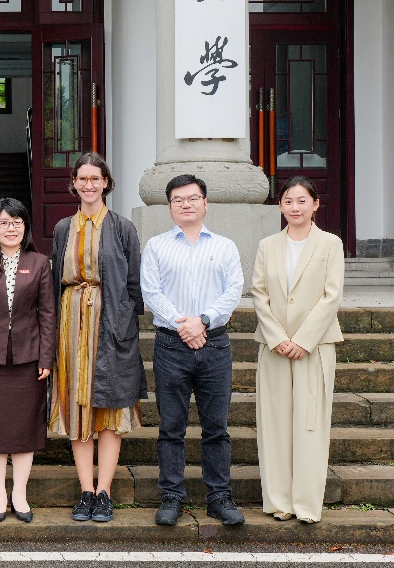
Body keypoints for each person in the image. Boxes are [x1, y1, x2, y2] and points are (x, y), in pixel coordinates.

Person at [140, 173, 245, 528]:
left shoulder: (225, 247)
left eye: (193, 198)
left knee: (216, 427)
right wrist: (184, 325)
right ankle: (172, 496)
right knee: (171, 426)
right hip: (171, 345)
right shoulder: (156, 246)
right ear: (170, 207)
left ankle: (219, 497)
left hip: (215, 344)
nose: (186, 204)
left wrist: (203, 321)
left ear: (205, 203)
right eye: (178, 200)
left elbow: (233, 291)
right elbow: (151, 292)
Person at [48, 152, 146, 524]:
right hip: (71, 323)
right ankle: (85, 490)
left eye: (95, 178)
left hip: (112, 323)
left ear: (106, 183)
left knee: (109, 409)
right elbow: (55, 280)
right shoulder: (63, 228)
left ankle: (104, 491)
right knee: (78, 406)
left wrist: (126, 326)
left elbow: (134, 284)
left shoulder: (122, 227)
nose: (88, 185)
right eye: (82, 179)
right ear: (74, 183)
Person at [251, 175, 345, 524]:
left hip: (315, 347)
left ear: (315, 204)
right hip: (274, 346)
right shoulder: (267, 246)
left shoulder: (330, 244)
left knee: (310, 424)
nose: (295, 207)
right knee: (274, 423)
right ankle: (279, 501)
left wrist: (303, 340)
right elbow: (259, 293)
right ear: (280, 205)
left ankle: (306, 504)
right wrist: (278, 337)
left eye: (302, 200)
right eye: (288, 201)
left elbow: (332, 295)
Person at [0, 198, 56, 524]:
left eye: (17, 222)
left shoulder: (39, 262)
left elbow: (47, 315)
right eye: (4, 222)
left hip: (29, 359)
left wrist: (46, 356)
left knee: (24, 429)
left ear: (25, 226)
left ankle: (20, 493)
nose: (11, 228)